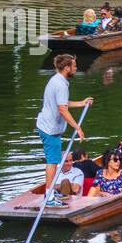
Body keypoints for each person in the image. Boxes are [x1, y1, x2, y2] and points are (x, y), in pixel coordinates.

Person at [36, 53, 93, 208]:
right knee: (53, 162)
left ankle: (51, 193)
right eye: (74, 66)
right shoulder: (60, 84)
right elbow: (62, 109)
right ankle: (49, 197)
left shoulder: (57, 80)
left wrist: (81, 103)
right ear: (67, 67)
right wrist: (78, 127)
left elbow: (63, 103)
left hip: (47, 126)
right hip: (49, 129)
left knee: (53, 161)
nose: (76, 68)